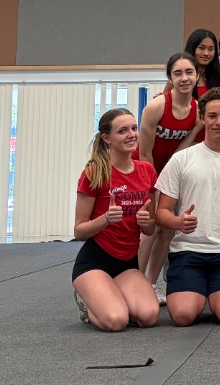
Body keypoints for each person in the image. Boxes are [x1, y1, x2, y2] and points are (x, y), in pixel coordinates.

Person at [154, 88, 220, 326]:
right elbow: (161, 214)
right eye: (212, 116)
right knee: (183, 316)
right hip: (187, 251)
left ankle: (215, 292)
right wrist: (178, 222)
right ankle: (196, 291)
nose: (219, 122)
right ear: (202, 118)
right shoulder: (182, 159)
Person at [72, 109, 159, 331]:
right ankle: (89, 301)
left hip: (127, 262)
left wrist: (145, 221)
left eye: (133, 128)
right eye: (122, 131)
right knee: (116, 321)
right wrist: (106, 219)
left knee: (148, 316)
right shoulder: (95, 172)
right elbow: (79, 231)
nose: (131, 135)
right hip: (95, 261)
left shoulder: (147, 170)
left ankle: (110, 294)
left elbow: (150, 230)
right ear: (107, 138)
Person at [138, 53, 201, 302]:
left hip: (171, 171)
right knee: (151, 228)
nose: (184, 78)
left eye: (189, 73)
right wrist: (153, 187)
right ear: (169, 78)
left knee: (167, 230)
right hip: (147, 168)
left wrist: (196, 128)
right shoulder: (156, 106)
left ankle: (153, 283)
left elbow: (181, 152)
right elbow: (144, 152)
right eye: (178, 73)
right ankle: (136, 280)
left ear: (197, 76)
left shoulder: (197, 109)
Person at [165, 28, 220, 96]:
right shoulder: (176, 81)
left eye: (211, 49)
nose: (206, 53)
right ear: (192, 48)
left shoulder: (218, 80)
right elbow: (165, 102)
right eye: (201, 48)